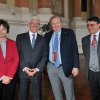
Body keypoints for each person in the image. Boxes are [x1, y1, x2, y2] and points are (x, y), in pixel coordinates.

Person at [45, 15, 80, 100]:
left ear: (61, 23)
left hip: (65, 66)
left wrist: (76, 66)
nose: (56, 25)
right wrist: (46, 65)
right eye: (53, 23)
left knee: (69, 93)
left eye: (57, 22)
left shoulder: (69, 33)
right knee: (56, 92)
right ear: (51, 25)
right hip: (51, 66)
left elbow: (75, 50)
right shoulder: (47, 35)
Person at [16, 17, 47, 100]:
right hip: (23, 71)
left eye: (37, 24)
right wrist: (24, 68)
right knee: (22, 95)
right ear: (29, 24)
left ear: (39, 26)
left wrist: (37, 69)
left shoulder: (43, 40)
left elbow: (44, 56)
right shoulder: (20, 37)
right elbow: (17, 55)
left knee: (37, 95)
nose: (35, 25)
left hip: (36, 72)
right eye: (33, 23)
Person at [82, 16, 100, 100]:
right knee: (94, 94)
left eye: (92, 25)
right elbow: (86, 55)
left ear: (99, 24)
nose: (89, 27)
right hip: (91, 73)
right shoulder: (84, 39)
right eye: (88, 25)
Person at [0, 19, 19, 100]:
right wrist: (1, 76)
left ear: (7, 30)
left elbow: (16, 60)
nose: (0, 31)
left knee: (9, 97)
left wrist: (9, 76)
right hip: (0, 75)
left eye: (3, 29)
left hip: (11, 77)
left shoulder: (13, 43)